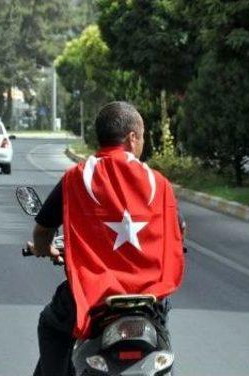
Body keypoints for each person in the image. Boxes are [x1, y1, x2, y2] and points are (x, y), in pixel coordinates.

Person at [26, 101, 185, 376]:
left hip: (91, 295)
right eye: (143, 137)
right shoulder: (157, 182)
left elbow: (42, 229)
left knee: (51, 326)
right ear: (132, 138)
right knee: (162, 329)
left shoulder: (78, 177)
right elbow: (177, 229)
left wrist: (43, 248)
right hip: (147, 298)